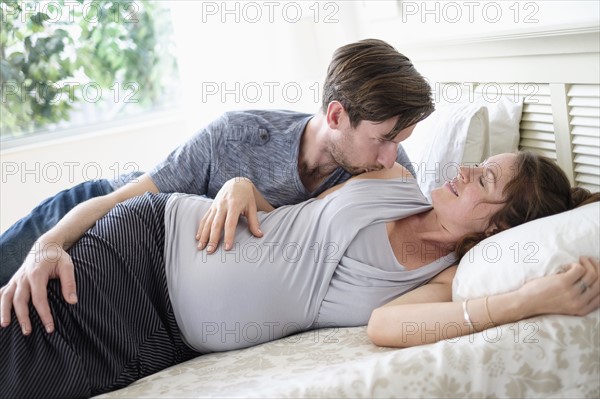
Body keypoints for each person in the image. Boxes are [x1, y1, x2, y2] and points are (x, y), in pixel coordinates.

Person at [0, 151, 598, 399]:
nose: (466, 170)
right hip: (140, 252)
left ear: (497, 232)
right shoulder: (392, 175)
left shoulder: (443, 278)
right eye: (478, 164)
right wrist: (240, 185)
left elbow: (389, 327)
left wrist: (525, 299)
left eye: (485, 181)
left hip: (154, 340)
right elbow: (286, 186)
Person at [0, 38, 434, 286]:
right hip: (99, 207)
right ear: (337, 115)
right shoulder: (235, 134)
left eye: (400, 141)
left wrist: (249, 193)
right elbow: (124, 197)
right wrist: (48, 244)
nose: (390, 157)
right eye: (383, 139)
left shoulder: (388, 170)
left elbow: (303, 239)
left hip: (136, 263)